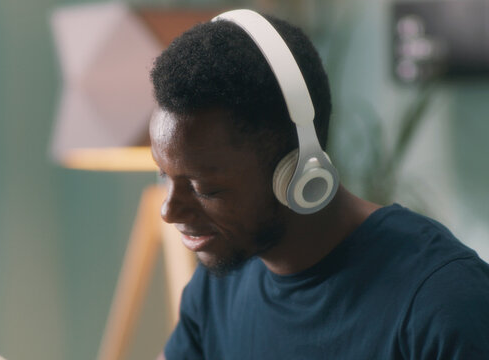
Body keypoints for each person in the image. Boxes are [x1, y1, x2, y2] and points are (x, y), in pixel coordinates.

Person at [148, 9, 489, 360]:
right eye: (163, 174)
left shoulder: (441, 301)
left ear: (297, 170)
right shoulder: (218, 284)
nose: (169, 210)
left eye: (205, 187)